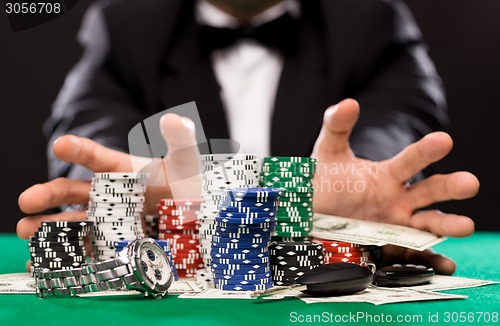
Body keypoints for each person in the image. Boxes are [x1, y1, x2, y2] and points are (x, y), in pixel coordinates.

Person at [17, 0, 479, 274]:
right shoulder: (125, 23)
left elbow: (401, 113)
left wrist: (362, 176)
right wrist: (126, 189)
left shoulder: (371, 17)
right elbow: (88, 123)